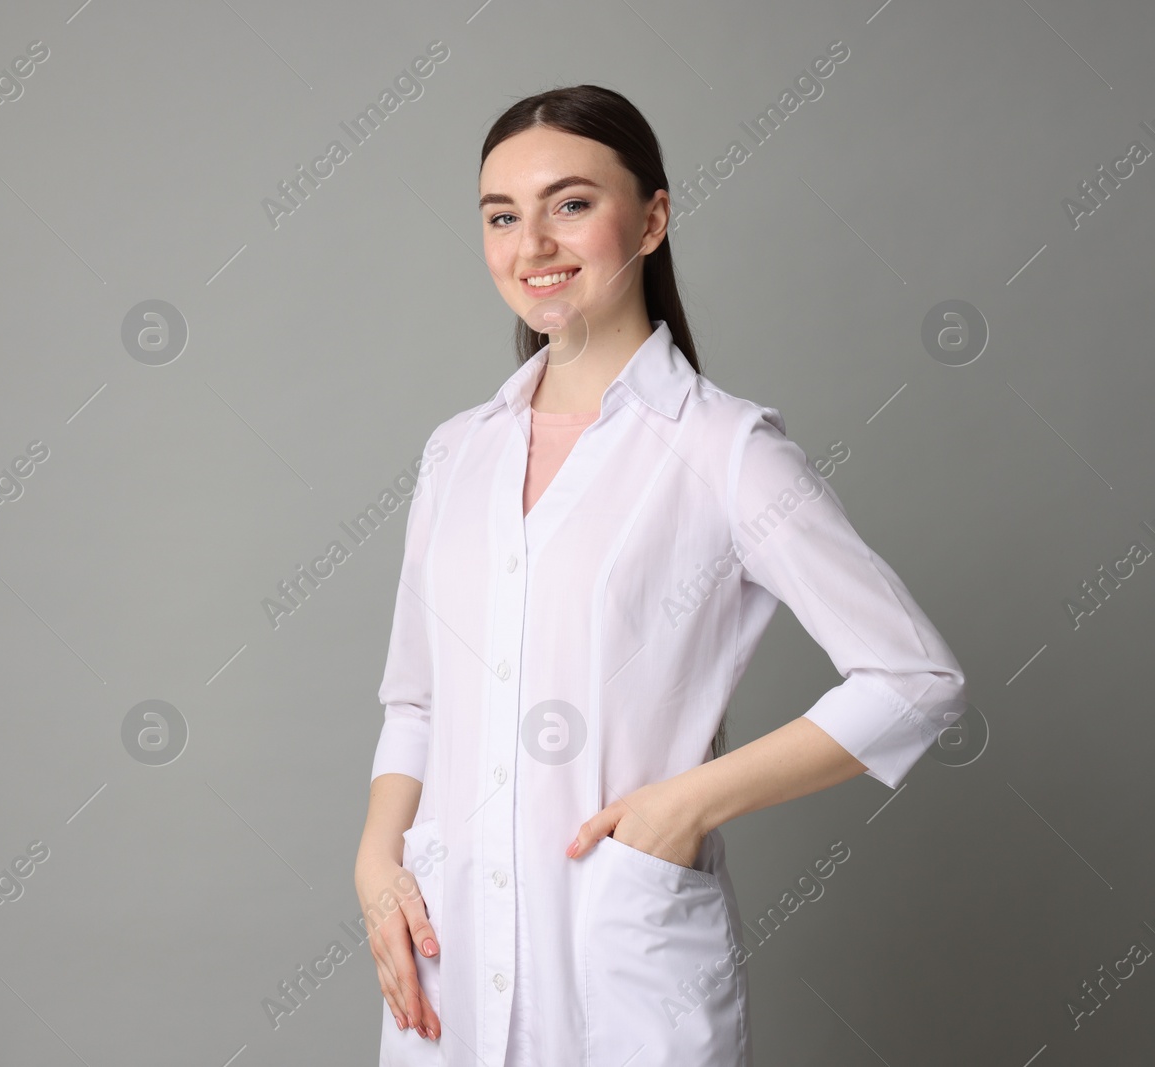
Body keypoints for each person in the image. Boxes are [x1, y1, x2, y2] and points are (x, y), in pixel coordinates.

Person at [352, 84, 966, 1067]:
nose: (532, 245)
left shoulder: (723, 450)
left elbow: (914, 680)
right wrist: (376, 858)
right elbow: (415, 697)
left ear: (653, 217)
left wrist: (684, 804)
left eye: (571, 203)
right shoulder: (454, 454)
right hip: (443, 958)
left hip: (620, 961)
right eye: (502, 216)